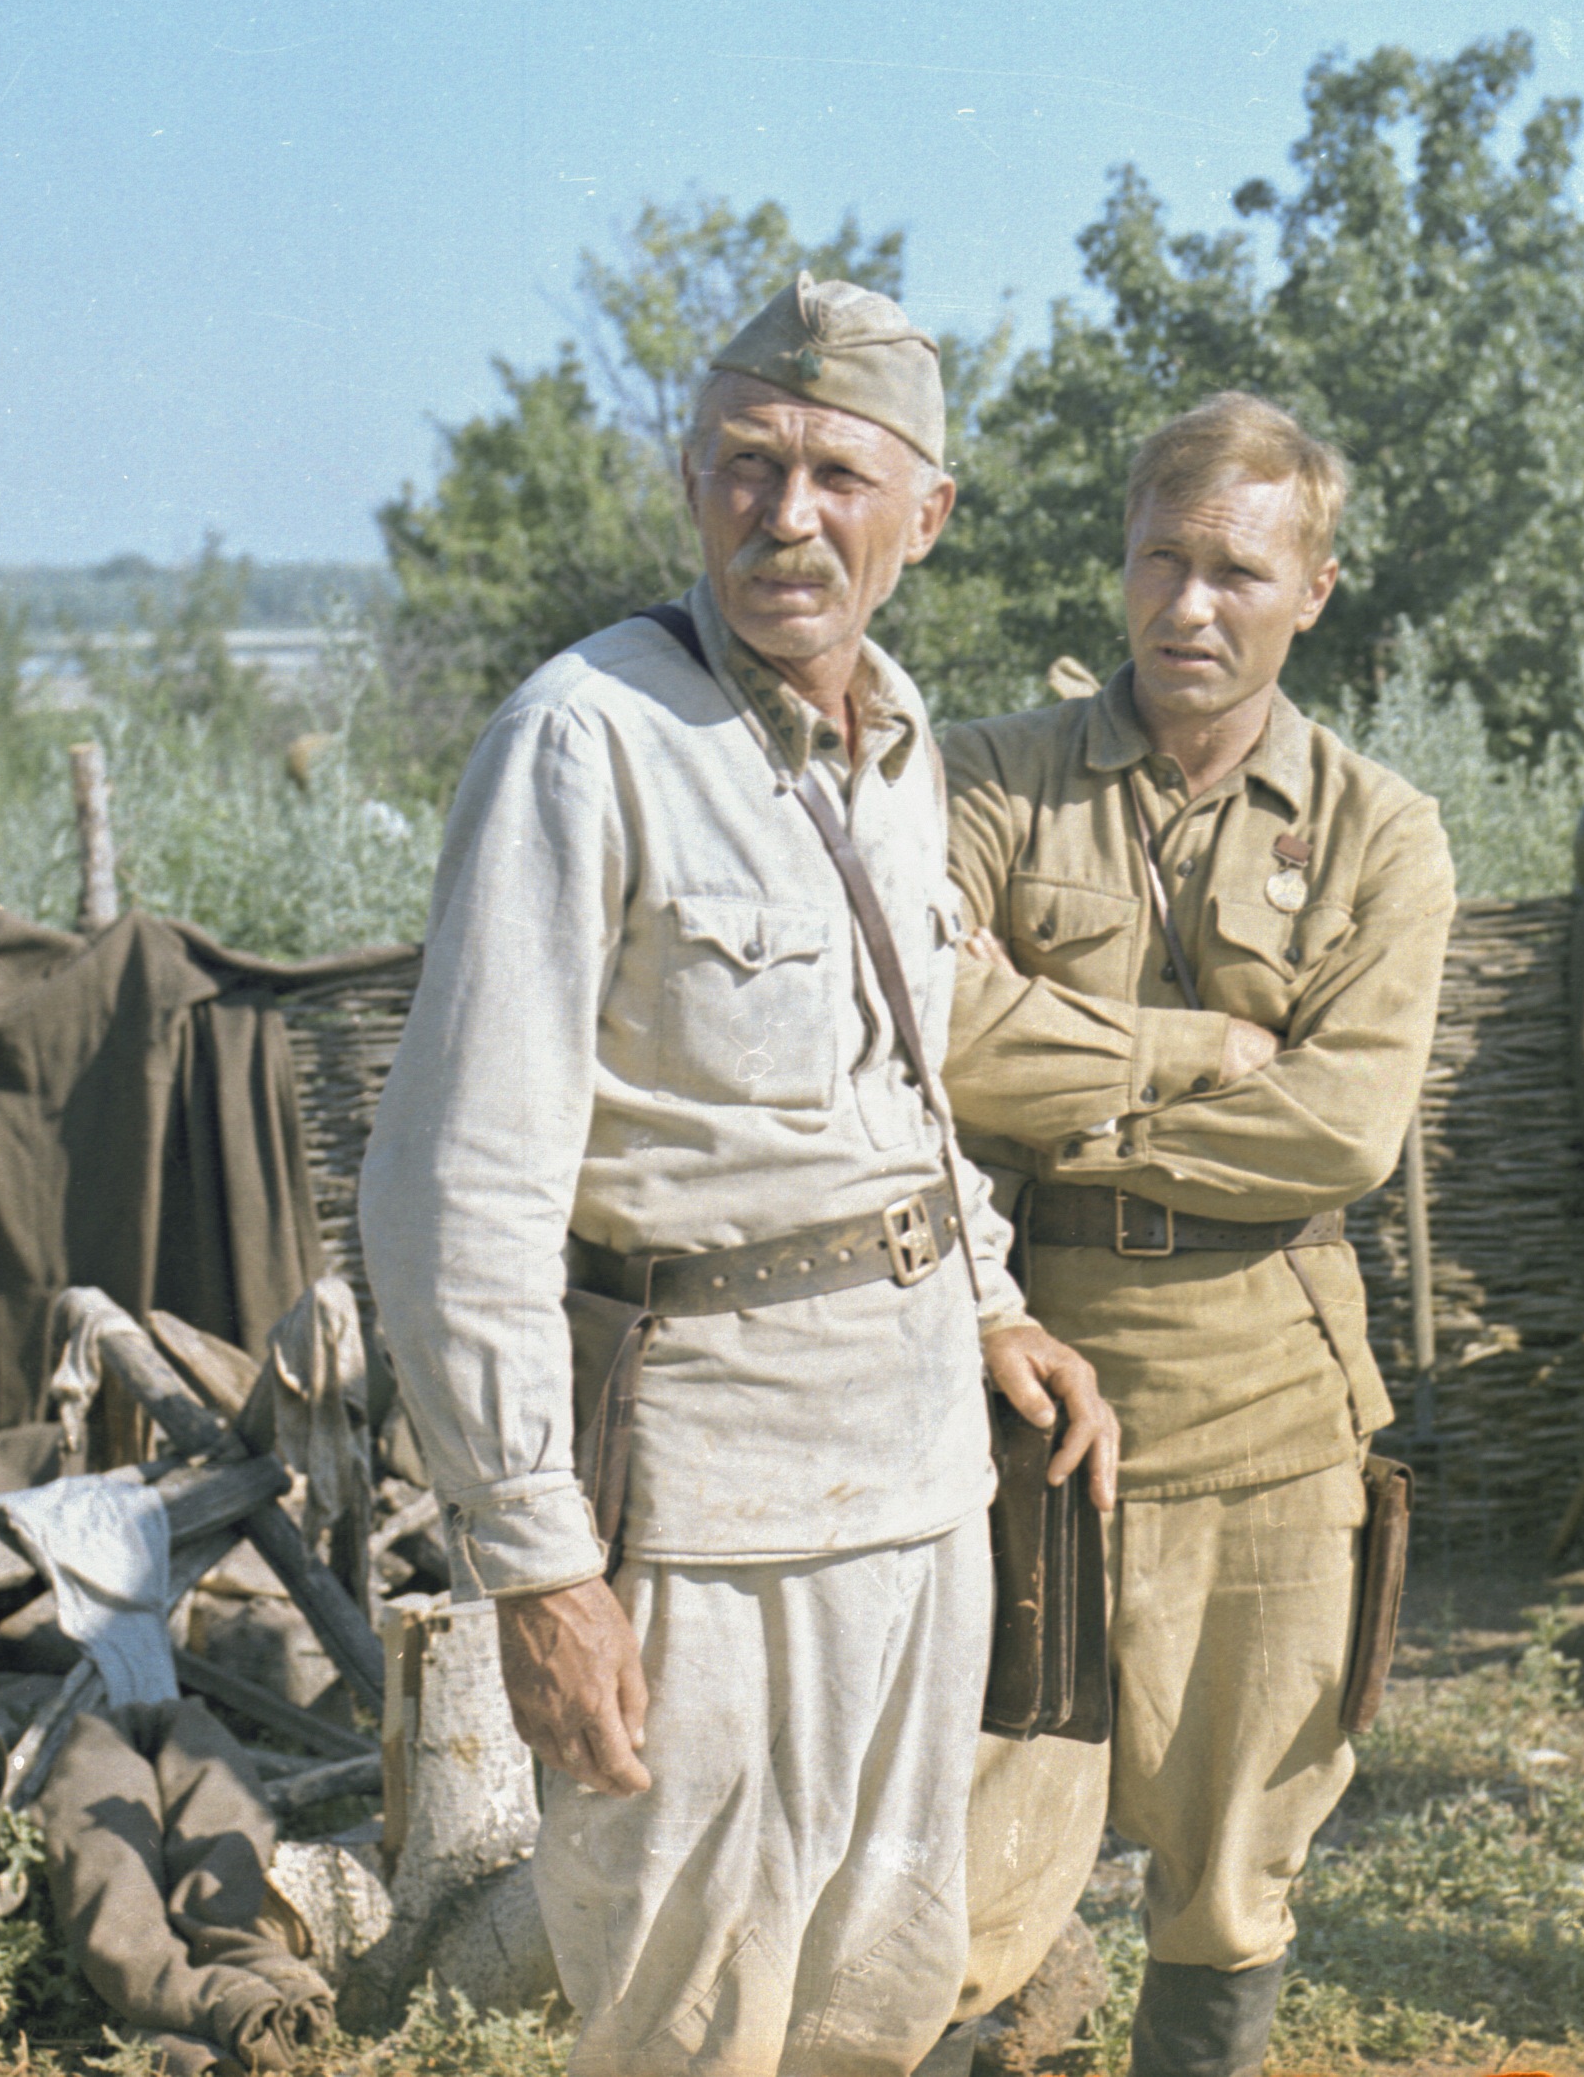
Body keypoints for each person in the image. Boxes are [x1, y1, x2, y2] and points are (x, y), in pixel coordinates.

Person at [357, 272, 1117, 2077]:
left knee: (883, 1978)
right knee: (690, 2012)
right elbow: (453, 1188)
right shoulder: (585, 739)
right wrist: (538, 1563)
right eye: (747, 467)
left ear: (924, 515)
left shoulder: (903, 741)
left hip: (918, 1477)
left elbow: (900, 1088)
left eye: (840, 476)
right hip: (703, 1508)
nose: (789, 517)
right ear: (691, 481)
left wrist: (990, 1302)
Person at [934, 393, 1457, 2077]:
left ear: (1314, 586)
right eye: (1161, 558)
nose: (1187, 606)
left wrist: (1063, 1106)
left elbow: (1341, 1125)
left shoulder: (1380, 831)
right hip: (1016, 1381)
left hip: (1267, 1401)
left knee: (1234, 1856)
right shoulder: (984, 779)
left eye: (1236, 568)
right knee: (962, 1836)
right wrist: (1180, 1052)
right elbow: (927, 1030)